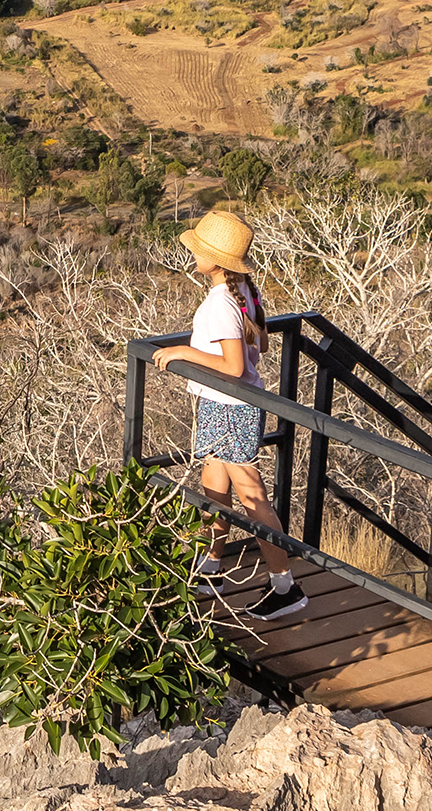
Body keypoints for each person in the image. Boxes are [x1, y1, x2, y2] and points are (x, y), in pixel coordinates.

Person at [150, 209, 304, 621]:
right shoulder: (243, 292)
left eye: (199, 250)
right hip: (229, 404)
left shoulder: (221, 301)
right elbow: (259, 349)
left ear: (216, 261)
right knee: (213, 485)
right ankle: (211, 567)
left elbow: (234, 366)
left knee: (252, 498)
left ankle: (285, 585)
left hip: (230, 405)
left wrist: (184, 351)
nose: (193, 255)